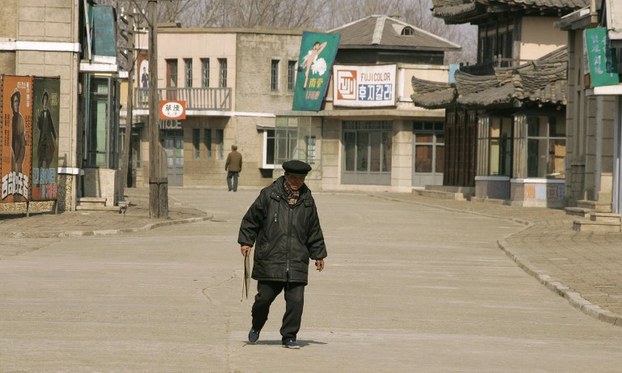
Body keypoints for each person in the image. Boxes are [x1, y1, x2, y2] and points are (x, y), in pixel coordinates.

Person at [238, 160, 327, 349]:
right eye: (293, 177)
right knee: (263, 300)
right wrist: (246, 241)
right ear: (286, 176)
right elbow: (251, 219)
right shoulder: (269, 195)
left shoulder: (308, 200)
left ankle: (289, 336)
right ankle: (256, 325)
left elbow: (314, 229)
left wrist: (318, 254)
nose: (297, 181)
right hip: (271, 258)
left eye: (301, 178)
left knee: (296, 302)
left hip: (297, 260)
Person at [36, 91, 57, 169]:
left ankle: (47, 172)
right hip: (42, 138)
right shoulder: (41, 113)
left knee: (48, 156)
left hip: (48, 137)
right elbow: (39, 127)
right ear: (42, 101)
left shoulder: (48, 113)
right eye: (44, 100)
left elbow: (51, 124)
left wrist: (54, 135)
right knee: (40, 157)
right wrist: (38, 120)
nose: (45, 101)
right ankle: (39, 173)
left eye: (46, 100)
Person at [10, 89, 26, 173]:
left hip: (17, 162)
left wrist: (19, 162)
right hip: (10, 160)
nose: (16, 104)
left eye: (17, 102)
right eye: (15, 102)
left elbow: (23, 145)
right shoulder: (10, 119)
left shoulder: (20, 119)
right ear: (12, 104)